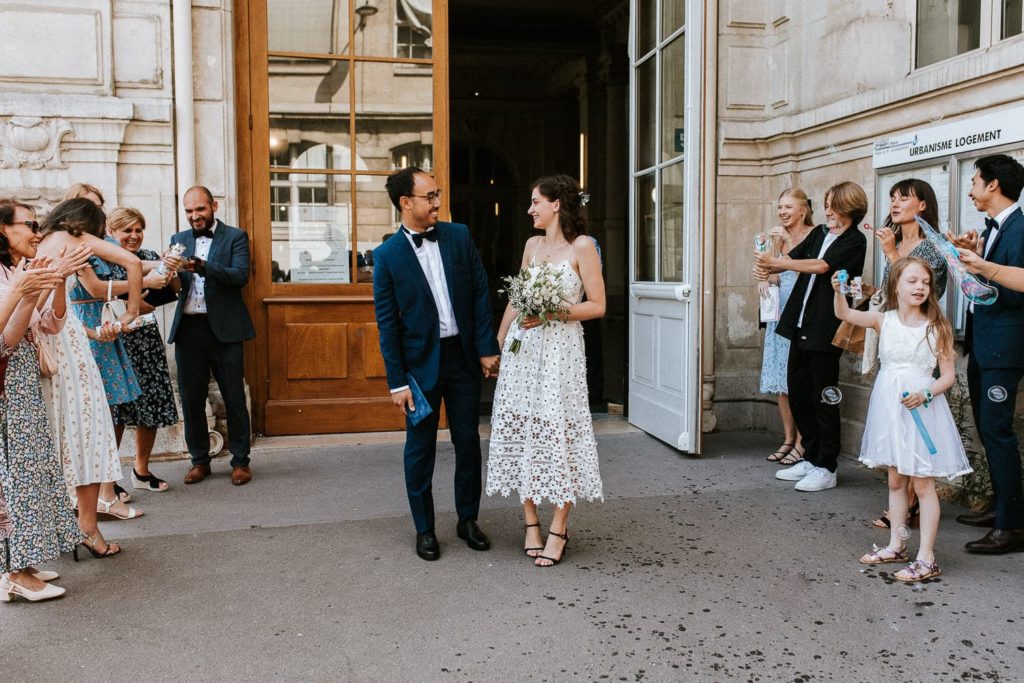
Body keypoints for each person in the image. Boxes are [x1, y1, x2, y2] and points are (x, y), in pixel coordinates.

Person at [372, 167, 500, 561]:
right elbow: (387, 323)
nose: (438, 203)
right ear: (405, 203)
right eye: (429, 196)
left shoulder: (458, 236)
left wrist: (485, 346)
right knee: (420, 449)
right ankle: (424, 529)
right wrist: (397, 382)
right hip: (418, 369)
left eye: (438, 194)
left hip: (461, 359)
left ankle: (467, 520)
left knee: (468, 443)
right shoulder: (387, 256)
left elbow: (480, 291)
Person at [485, 174, 605, 567]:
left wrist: (552, 312)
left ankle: (560, 525)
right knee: (523, 429)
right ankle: (530, 522)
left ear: (557, 204)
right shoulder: (532, 245)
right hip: (524, 350)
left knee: (559, 432)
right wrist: (497, 345)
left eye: (535, 201)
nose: (530, 209)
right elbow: (517, 300)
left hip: (560, 353)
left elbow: (597, 306)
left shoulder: (582, 246)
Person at [833, 257, 971, 581]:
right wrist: (839, 291)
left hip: (921, 410)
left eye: (925, 282)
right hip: (890, 410)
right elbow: (845, 313)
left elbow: (948, 376)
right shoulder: (885, 320)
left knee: (923, 484)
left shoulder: (937, 326)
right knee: (896, 480)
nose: (920, 287)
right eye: (912, 281)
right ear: (896, 285)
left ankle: (927, 557)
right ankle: (897, 544)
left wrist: (926, 394)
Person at [38, 198, 144, 551]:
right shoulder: (75, 237)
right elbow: (132, 262)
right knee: (89, 433)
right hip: (68, 347)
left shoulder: (43, 241)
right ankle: (87, 528)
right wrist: (130, 312)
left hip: (44, 339)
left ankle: (61, 531)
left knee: (60, 438)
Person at [754, 181, 868, 492]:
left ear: (848, 208)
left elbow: (819, 266)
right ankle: (812, 455)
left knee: (824, 398)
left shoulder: (855, 241)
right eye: (827, 205)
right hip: (798, 325)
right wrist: (767, 259)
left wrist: (778, 262)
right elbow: (794, 256)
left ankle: (827, 466)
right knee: (799, 392)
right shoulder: (819, 233)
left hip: (825, 329)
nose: (828, 211)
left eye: (833, 205)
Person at [0, 200, 85, 602]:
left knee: (29, 470)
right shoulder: (10, 277)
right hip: (6, 382)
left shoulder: (18, 272)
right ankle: (14, 572)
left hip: (21, 378)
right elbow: (4, 340)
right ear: (3, 230)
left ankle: (21, 562)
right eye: (29, 224)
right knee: (14, 475)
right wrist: (24, 289)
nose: (37, 231)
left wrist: (58, 281)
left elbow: (50, 324)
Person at [946, 154, 1024, 554]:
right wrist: (975, 258)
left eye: (975, 181)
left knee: (997, 430)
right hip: (984, 344)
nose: (972, 189)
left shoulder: (1021, 226)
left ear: (994, 184)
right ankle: (999, 508)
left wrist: (983, 265)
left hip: (1005, 348)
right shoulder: (995, 227)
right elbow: (992, 284)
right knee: (986, 428)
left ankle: (1013, 526)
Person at [868, 178, 949, 531]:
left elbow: (920, 285)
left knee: (914, 422)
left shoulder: (931, 246)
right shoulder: (897, 240)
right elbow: (894, 290)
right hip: (894, 336)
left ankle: (912, 504)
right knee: (897, 420)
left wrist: (889, 254)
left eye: (904, 198)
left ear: (923, 205)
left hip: (920, 340)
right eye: (892, 197)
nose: (895, 203)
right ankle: (904, 504)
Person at [168, 186, 256, 486]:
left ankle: (240, 461)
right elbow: (172, 284)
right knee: (192, 399)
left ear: (213, 206)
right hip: (189, 329)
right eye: (190, 211)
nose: (195, 216)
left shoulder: (236, 237)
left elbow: (240, 276)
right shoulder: (178, 240)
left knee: (233, 396)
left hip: (226, 329)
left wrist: (204, 267)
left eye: (200, 209)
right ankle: (199, 461)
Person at [102, 208, 179, 492]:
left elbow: (173, 290)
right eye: (127, 231)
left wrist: (170, 267)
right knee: (118, 412)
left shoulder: (147, 257)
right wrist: (134, 298)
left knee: (151, 405)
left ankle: (141, 470)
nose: (134, 236)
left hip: (146, 338)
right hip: (117, 340)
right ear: (112, 231)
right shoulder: (104, 260)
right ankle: (109, 481)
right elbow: (100, 293)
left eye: (138, 230)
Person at [753, 188, 814, 465]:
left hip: (801, 313)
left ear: (803, 209)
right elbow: (771, 273)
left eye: (788, 207)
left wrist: (788, 243)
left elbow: (810, 269)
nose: (783, 212)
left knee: (799, 382)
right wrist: (764, 279)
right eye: (780, 207)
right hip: (779, 313)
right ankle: (789, 438)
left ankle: (804, 441)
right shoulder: (776, 241)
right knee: (782, 384)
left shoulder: (814, 236)